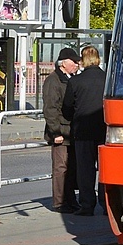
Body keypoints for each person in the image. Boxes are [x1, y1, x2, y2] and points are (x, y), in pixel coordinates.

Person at [64, 44, 105, 216]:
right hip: (105, 131)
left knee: (85, 170)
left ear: (82, 61)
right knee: (105, 170)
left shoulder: (75, 81)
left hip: (83, 130)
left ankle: (87, 205)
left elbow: (67, 107)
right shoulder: (107, 79)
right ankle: (106, 204)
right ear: (98, 59)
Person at [42, 46, 81, 213]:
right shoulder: (53, 80)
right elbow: (50, 108)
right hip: (60, 132)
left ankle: (70, 200)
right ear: (63, 63)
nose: (77, 65)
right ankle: (59, 203)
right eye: (74, 62)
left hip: (69, 131)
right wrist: (55, 132)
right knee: (60, 168)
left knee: (71, 168)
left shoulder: (68, 78)